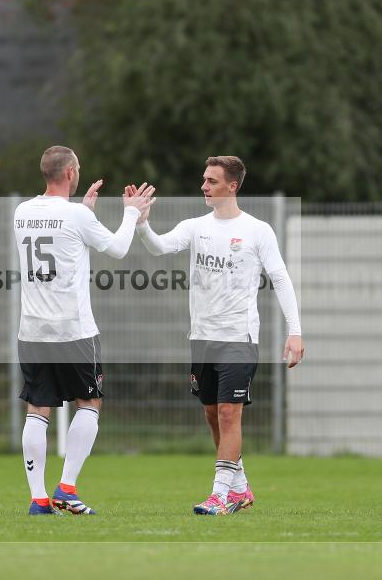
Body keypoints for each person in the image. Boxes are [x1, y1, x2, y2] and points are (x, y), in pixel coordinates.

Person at [127, 156, 303, 515]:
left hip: (238, 337)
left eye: (211, 181)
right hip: (202, 338)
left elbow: (281, 279)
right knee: (211, 413)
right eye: (204, 180)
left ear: (232, 186)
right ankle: (239, 488)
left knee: (228, 413)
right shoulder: (196, 226)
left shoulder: (258, 230)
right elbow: (159, 247)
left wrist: (295, 332)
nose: (203, 186)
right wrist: (142, 224)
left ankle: (219, 494)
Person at [15, 145, 154, 515]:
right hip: (72, 331)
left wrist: (85, 213)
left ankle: (38, 498)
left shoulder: (22, 211)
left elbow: (63, 243)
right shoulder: (75, 215)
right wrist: (130, 213)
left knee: (37, 408)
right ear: (72, 173)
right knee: (89, 402)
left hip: (31, 330)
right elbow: (119, 249)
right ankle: (66, 488)